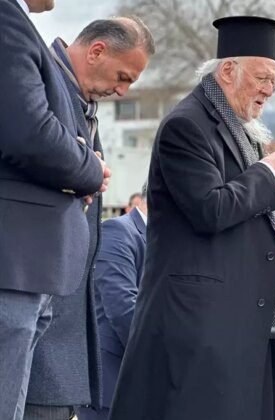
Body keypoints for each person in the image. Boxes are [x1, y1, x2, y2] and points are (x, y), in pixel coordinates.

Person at [109, 16, 275, 420]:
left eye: (274, 82)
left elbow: (252, 206)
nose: (269, 89)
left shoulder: (244, 131)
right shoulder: (187, 126)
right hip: (201, 322)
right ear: (228, 71)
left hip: (239, 321)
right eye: (263, 77)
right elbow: (210, 209)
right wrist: (268, 174)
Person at [20, 17, 153, 420]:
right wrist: (85, 169)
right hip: (40, 312)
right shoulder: (41, 80)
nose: (122, 90)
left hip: (60, 335)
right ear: (96, 51)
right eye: (122, 76)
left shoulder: (78, 98)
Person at [0, 1, 108, 419]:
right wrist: (89, 167)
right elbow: (32, 132)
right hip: (15, 262)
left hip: (29, 265)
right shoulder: (7, 18)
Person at [75, 182, 148, 420]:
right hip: (110, 386)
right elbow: (122, 306)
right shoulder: (119, 230)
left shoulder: (162, 242)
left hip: (135, 388)